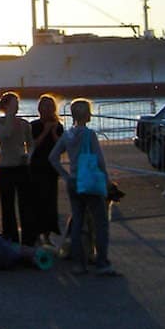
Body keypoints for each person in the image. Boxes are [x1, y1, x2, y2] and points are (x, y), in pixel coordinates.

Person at [49, 99, 117, 276]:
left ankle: (79, 263)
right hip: (90, 181)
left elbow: (53, 157)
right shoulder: (89, 134)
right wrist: (107, 180)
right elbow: (100, 160)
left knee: (77, 222)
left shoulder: (68, 135)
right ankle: (102, 262)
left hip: (73, 181)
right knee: (100, 222)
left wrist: (65, 175)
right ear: (87, 115)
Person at [0, 92, 35, 245]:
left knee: (26, 204)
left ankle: (28, 239)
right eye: (13, 103)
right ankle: (10, 237)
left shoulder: (24, 124)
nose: (16, 106)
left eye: (17, 103)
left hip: (21, 166)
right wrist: (9, 115)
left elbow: (31, 143)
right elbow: (6, 134)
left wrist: (28, 155)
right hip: (6, 167)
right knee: (7, 205)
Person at [28, 94, 64, 242]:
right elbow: (33, 145)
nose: (47, 109)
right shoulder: (34, 125)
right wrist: (45, 131)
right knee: (36, 199)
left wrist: (54, 132)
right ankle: (36, 232)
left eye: (50, 106)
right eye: (45, 106)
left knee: (50, 200)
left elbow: (61, 147)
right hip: (37, 166)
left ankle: (48, 233)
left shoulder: (58, 126)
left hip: (51, 168)